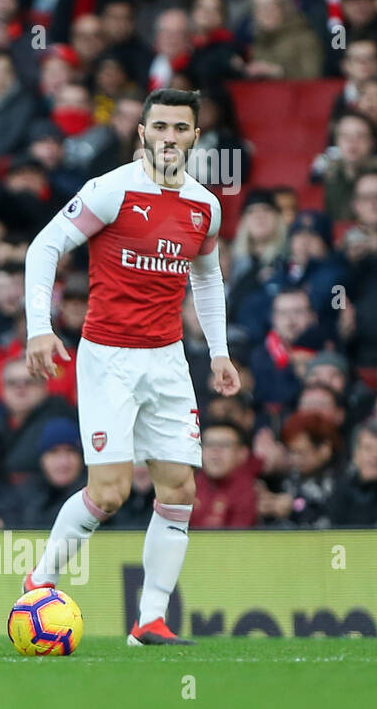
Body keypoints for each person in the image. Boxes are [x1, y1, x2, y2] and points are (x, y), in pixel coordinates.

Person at [23, 88, 241, 646]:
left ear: (196, 136)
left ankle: (149, 621)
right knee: (112, 493)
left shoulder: (204, 206)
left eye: (181, 128)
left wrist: (217, 351)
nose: (170, 137)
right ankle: (39, 580)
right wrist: (39, 328)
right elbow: (44, 248)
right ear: (142, 133)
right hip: (109, 358)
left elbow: (208, 277)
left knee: (178, 488)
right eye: (160, 126)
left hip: (168, 359)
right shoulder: (112, 189)